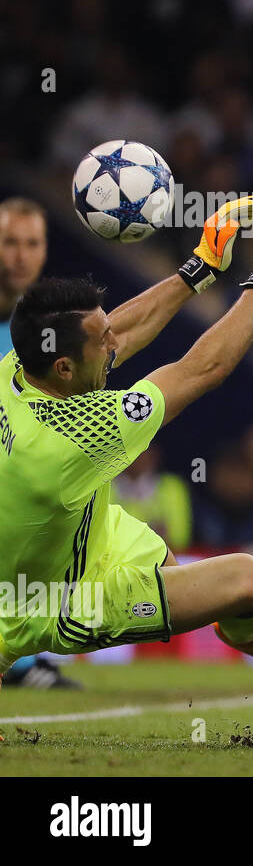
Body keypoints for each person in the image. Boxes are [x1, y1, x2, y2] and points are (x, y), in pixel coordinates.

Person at [0, 196, 253, 688]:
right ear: (65, 368)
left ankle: (250, 626)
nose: (114, 344)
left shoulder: (23, 361)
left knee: (166, 561)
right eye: (102, 344)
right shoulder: (76, 435)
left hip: (81, 536)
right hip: (55, 601)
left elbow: (117, 328)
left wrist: (198, 268)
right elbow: (203, 369)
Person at [0, 196, 82, 689]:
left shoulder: (55, 328)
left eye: (32, 244)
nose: (20, 256)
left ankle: (27, 661)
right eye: (9, 242)